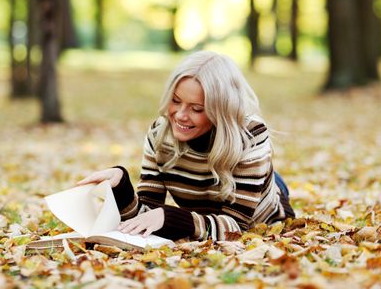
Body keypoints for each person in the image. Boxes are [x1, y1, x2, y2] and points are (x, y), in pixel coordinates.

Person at [77, 51, 295, 241]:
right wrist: (121, 187)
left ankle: (272, 180)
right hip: (207, 200)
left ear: (220, 111)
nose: (180, 115)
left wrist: (172, 217)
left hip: (261, 202)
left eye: (197, 109)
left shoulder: (251, 135)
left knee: (268, 182)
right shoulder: (159, 134)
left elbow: (237, 227)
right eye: (175, 100)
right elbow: (146, 215)